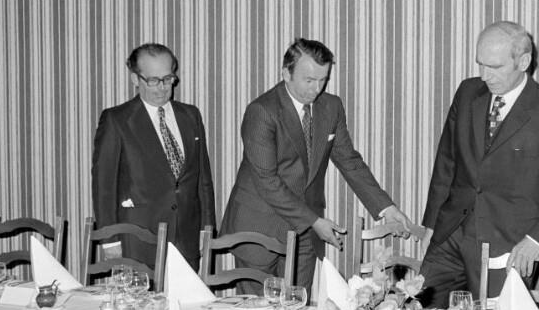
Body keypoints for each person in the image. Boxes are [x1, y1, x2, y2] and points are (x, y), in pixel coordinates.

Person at [419, 21, 539, 307]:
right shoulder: (467, 92)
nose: (484, 76)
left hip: (507, 246)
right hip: (450, 234)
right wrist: (432, 225)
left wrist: (535, 241)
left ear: (523, 62)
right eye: (480, 64)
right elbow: (447, 161)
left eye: (495, 67)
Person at [220, 38, 414, 289]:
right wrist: (314, 221)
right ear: (286, 73)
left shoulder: (331, 107)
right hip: (259, 226)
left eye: (323, 80)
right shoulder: (262, 111)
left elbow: (349, 161)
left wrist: (387, 208)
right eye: (309, 80)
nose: (316, 89)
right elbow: (267, 181)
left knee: (298, 304)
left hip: (305, 233)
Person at [92, 43, 215, 269]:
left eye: (167, 79)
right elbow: (104, 187)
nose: (162, 88)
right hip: (137, 241)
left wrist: (206, 230)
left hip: (186, 239)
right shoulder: (117, 120)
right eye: (153, 80)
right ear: (135, 79)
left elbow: (203, 181)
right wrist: (110, 241)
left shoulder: (190, 116)